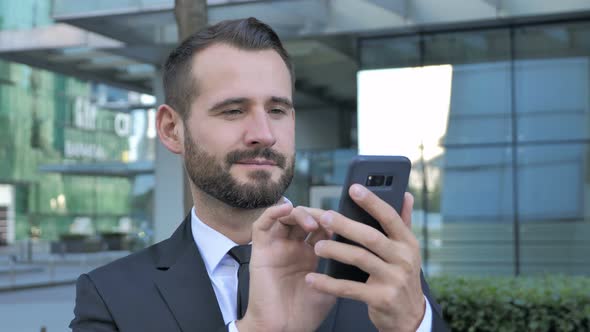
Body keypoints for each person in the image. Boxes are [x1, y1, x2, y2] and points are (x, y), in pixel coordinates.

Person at [70, 17, 448, 332]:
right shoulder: (110, 297)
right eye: (233, 110)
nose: (264, 134)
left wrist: (413, 324)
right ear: (172, 129)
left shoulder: (376, 273)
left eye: (278, 110)